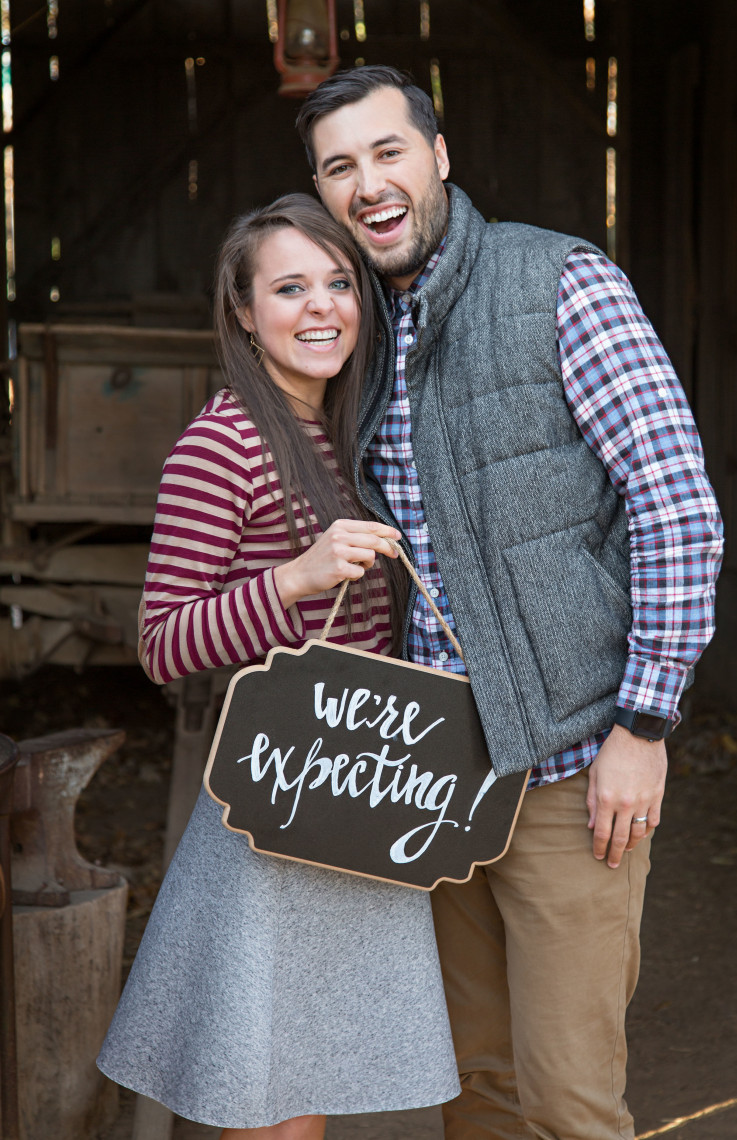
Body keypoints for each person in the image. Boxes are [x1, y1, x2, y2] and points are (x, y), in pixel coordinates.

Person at [295, 67, 724, 1140]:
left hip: (569, 767)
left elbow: (677, 507)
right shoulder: (359, 326)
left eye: (387, 151)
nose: (368, 183)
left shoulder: (559, 283)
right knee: (472, 1088)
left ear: (439, 156)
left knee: (568, 1100)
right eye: (339, 167)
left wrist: (644, 724)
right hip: (430, 774)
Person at [96, 193, 460, 1139]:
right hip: (274, 805)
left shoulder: (343, 436)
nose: (321, 307)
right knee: (267, 1105)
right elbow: (163, 643)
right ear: (243, 310)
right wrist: (294, 578)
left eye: (339, 283)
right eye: (289, 287)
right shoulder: (223, 444)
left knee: (302, 1097)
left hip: (348, 797)